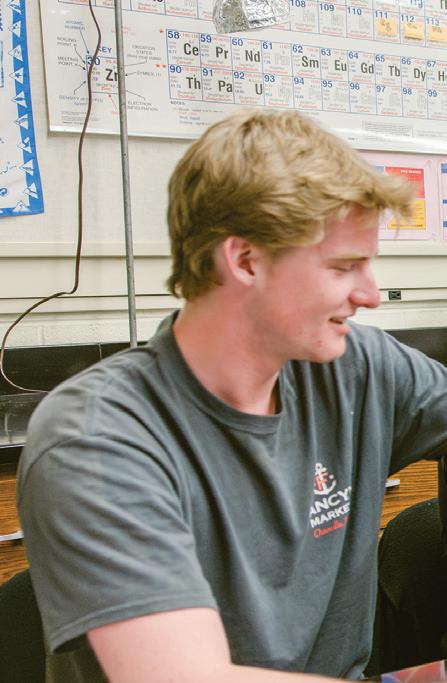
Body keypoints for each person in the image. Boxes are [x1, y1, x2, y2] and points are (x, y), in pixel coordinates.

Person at [17, 109, 447, 683]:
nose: (370, 294)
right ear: (245, 260)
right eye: (345, 267)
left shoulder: (360, 367)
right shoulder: (93, 441)